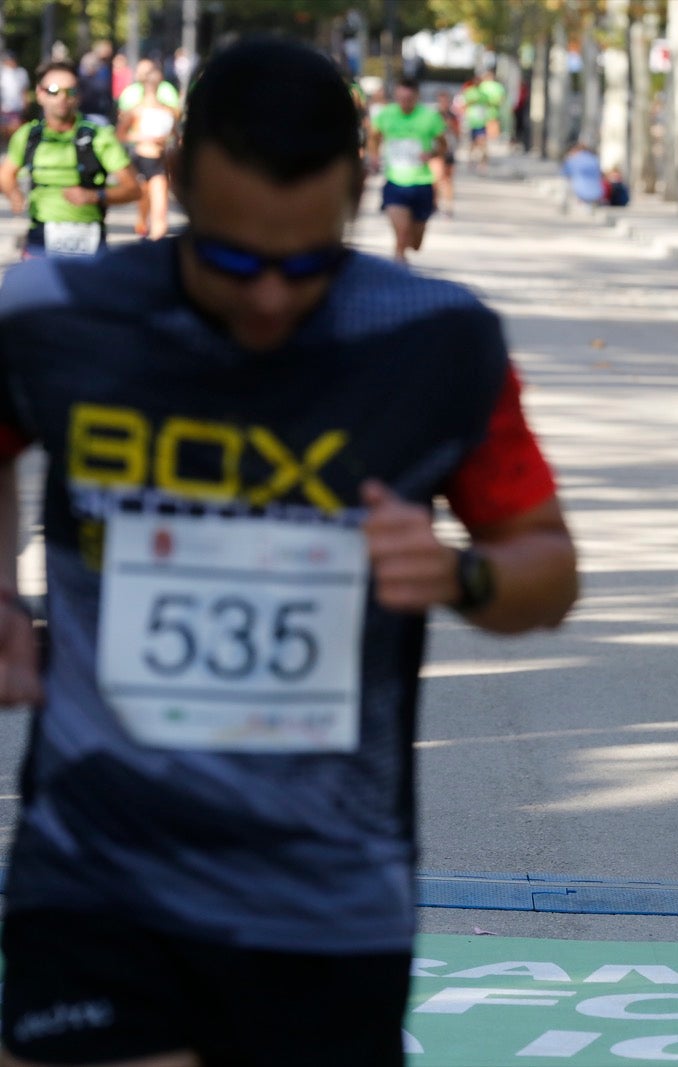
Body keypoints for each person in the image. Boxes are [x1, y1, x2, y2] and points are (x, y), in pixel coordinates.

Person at [0, 37, 578, 1067]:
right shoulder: (59, 316)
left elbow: (545, 564)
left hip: (324, 893)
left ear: (357, 192)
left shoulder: (436, 339)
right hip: (97, 863)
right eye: (230, 258)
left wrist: (461, 572)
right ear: (174, 182)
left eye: (306, 261)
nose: (269, 295)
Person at [0, 61, 138, 259]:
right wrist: (14, 194)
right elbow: (6, 174)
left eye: (70, 91)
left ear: (78, 96)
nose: (62, 98)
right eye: (54, 91)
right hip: (41, 235)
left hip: (89, 239)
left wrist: (93, 196)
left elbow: (133, 189)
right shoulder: (28, 136)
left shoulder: (99, 137)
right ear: (40, 94)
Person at [369, 76, 448, 264]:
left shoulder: (430, 117)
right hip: (395, 182)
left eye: (409, 99)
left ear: (416, 97)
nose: (404, 103)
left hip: (422, 183)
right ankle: (400, 268)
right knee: (402, 235)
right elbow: (374, 137)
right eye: (400, 99)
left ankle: (404, 253)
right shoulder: (386, 114)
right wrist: (373, 156)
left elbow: (443, 146)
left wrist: (432, 154)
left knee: (415, 244)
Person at [115, 61, 180, 239]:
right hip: (141, 159)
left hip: (159, 160)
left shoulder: (168, 111)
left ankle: (156, 243)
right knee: (144, 202)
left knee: (160, 209)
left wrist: (169, 142)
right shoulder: (135, 111)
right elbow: (120, 134)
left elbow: (176, 135)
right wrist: (142, 137)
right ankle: (143, 225)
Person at [431, 88, 460, 217]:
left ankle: (448, 206)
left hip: (449, 151)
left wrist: (451, 127)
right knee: (436, 179)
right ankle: (434, 203)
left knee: (448, 179)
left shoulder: (453, 116)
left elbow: (458, 133)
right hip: (437, 152)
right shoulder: (434, 116)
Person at [561, 141, 605, 213]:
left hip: (580, 190)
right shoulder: (594, 159)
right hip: (597, 192)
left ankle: (565, 206)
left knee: (565, 183)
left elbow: (565, 173)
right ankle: (590, 205)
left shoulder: (573, 159)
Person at [0, 53, 28, 142]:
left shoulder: (21, 72)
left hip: (16, 108)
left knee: (15, 129)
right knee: (4, 130)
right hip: (4, 108)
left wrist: (25, 103)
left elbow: (24, 90)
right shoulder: (2, 72)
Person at [477, 69, 506, 143]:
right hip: (494, 111)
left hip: (483, 113)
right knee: (493, 128)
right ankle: (493, 143)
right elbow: (501, 99)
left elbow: (478, 98)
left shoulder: (482, 85)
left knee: (483, 131)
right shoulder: (498, 86)